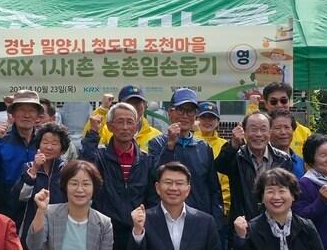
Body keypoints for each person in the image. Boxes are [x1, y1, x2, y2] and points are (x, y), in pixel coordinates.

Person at [81, 100, 152, 250]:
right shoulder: (100, 156)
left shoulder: (146, 159)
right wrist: (93, 133)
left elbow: (152, 195)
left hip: (136, 228)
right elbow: (84, 168)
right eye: (120, 122)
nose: (126, 127)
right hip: (105, 229)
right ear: (110, 127)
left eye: (130, 122)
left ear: (137, 127)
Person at [147, 88, 225, 230]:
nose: (185, 116)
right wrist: (170, 145)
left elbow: (214, 189)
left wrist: (216, 222)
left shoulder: (203, 147)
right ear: (170, 112)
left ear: (195, 115)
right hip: (165, 220)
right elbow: (154, 176)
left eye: (190, 111)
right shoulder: (156, 143)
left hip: (198, 220)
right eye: (180, 110)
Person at [215, 112, 296, 228]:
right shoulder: (236, 156)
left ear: (270, 132)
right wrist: (233, 145)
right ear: (245, 132)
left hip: (276, 224)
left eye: (263, 129)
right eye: (253, 129)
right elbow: (220, 165)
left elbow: (289, 192)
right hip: (243, 224)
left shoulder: (283, 159)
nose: (258, 134)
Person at [0, 89, 42, 220]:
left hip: (37, 211)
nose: (26, 115)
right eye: (22, 110)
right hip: (4, 212)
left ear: (37, 116)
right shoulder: (1, 141)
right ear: (13, 114)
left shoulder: (44, 142)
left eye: (31, 111)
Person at [15, 122, 70, 224]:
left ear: (62, 149)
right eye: (45, 142)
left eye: (54, 144)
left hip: (60, 224)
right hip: (32, 222)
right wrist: (34, 169)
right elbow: (22, 197)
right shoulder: (28, 167)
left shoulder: (67, 170)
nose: (49, 147)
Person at [194, 100, 232, 215]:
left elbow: (227, 180)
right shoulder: (189, 143)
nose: (207, 121)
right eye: (203, 117)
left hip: (220, 208)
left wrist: (224, 206)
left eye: (211, 118)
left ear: (218, 122)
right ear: (196, 120)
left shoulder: (225, 146)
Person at [97, 85, 163, 149]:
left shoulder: (157, 136)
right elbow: (90, 143)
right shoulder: (107, 130)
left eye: (137, 102)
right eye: (129, 103)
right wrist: (102, 109)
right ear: (119, 105)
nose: (133, 107)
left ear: (144, 105)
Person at [262, 82, 312, 150]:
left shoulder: (304, 133)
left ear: (290, 102)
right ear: (266, 104)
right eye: (273, 101)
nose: (279, 105)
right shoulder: (258, 132)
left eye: (283, 100)